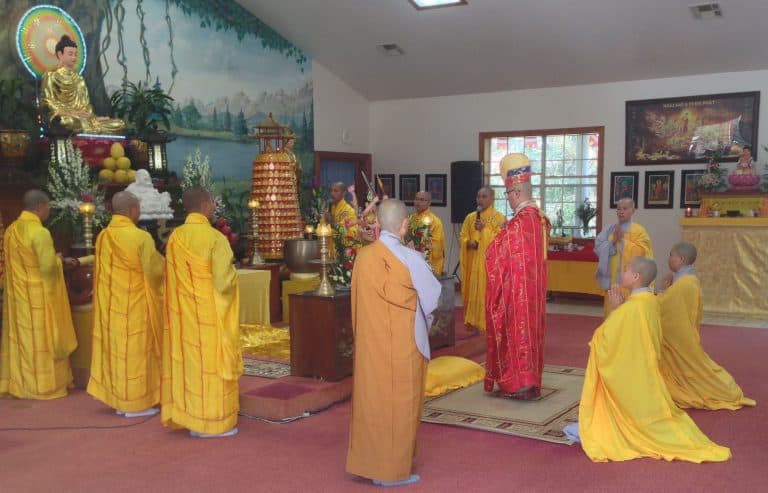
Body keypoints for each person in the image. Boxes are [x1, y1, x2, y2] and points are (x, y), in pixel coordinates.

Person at [566, 256, 731, 463]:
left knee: (614, 424)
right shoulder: (650, 300)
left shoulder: (631, 308)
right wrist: (623, 308)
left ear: (635, 276)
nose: (622, 273)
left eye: (626, 270)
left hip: (634, 375)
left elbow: (602, 339)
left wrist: (617, 309)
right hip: (647, 371)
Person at [347, 199, 441, 487]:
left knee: (372, 400)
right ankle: (391, 471)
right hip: (403, 344)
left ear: (378, 224)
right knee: (401, 402)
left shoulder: (363, 257)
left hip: (370, 344)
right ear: (404, 226)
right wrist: (429, 320)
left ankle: (369, 463)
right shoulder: (410, 258)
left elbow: (356, 301)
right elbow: (432, 298)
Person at [161, 187, 241, 438]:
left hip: (183, 315)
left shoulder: (175, 238)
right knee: (211, 365)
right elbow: (223, 282)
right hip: (209, 315)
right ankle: (212, 422)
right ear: (206, 204)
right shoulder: (214, 238)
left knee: (189, 364)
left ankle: (191, 417)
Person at [87, 192, 165, 417]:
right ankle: (134, 403)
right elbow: (154, 271)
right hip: (135, 304)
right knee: (136, 352)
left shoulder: (103, 235)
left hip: (111, 305)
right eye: (138, 208)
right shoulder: (139, 237)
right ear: (132, 210)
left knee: (117, 351)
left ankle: (119, 399)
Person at [657, 243, 755, 410]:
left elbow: (664, 306)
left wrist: (650, 295)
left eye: (671, 255)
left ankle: (725, 390)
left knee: (694, 365)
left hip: (681, 337)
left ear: (680, 259)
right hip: (683, 333)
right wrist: (667, 290)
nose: (669, 259)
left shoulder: (685, 283)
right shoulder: (686, 280)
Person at [1, 190, 78, 399]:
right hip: (39, 298)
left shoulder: (10, 231)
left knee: (23, 341)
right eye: (48, 206)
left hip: (18, 297)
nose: (49, 210)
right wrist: (58, 261)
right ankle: (44, 386)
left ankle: (22, 384)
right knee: (44, 341)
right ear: (39, 207)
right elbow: (47, 268)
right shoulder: (39, 232)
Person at [485, 154, 551, 399]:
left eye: (507, 194)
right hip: (534, 290)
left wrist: (498, 239)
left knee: (517, 333)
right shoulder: (540, 219)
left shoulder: (520, 222)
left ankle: (520, 383)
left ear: (514, 192)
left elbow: (495, 255)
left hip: (518, 290)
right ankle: (531, 381)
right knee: (532, 332)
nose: (508, 200)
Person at [41, 35, 125, 134]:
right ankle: (92, 129)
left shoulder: (79, 79)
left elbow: (86, 105)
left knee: (120, 124)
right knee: (66, 122)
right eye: (70, 54)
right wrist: (72, 113)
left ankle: (92, 128)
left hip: (83, 119)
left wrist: (92, 117)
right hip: (67, 118)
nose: (74, 57)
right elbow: (48, 102)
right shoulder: (51, 76)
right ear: (60, 54)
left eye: (76, 54)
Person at [594, 197, 653, 316]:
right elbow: (598, 248)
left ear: (633, 210)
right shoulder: (610, 229)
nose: (621, 211)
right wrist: (612, 243)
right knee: (611, 315)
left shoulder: (639, 231)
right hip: (613, 282)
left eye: (625, 208)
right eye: (618, 209)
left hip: (630, 283)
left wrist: (623, 242)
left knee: (628, 316)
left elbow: (644, 253)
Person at [459, 187, 505, 331]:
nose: (480, 199)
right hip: (473, 260)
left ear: (492, 199)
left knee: (486, 291)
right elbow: (463, 235)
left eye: (484, 196)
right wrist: (467, 242)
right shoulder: (470, 217)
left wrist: (484, 230)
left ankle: (487, 321)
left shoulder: (499, 218)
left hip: (488, 264)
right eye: (478, 196)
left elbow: (500, 240)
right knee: (472, 289)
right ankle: (472, 319)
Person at [407, 191, 445, 275]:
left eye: (422, 200)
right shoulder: (410, 218)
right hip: (411, 262)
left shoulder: (434, 221)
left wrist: (418, 246)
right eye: (416, 199)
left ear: (429, 203)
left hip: (427, 263)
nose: (418, 202)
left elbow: (437, 246)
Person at [325, 181, 359, 255]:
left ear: (344, 193)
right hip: (328, 250)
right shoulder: (329, 208)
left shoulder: (349, 210)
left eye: (335, 191)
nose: (332, 193)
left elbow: (352, 233)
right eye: (330, 191)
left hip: (343, 252)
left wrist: (333, 223)